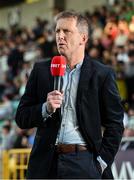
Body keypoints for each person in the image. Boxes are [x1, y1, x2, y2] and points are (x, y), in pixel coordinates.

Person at [15, 10, 124, 179]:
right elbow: (21, 117)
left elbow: (115, 124)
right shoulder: (41, 70)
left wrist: (101, 162)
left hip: (84, 162)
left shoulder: (102, 74)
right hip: (45, 164)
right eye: (57, 31)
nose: (60, 36)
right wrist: (45, 108)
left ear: (83, 38)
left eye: (67, 31)